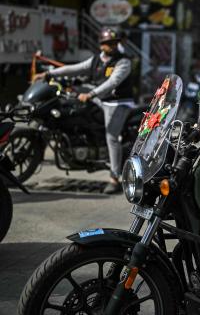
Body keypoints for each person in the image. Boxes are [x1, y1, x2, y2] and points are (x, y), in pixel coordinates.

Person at [33, 27, 135, 194]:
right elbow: (73, 68)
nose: (112, 46)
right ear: (101, 45)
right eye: (108, 43)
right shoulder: (96, 60)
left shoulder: (123, 61)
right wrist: (48, 75)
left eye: (114, 43)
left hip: (118, 103)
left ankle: (114, 177)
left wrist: (91, 93)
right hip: (100, 99)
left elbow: (113, 82)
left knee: (112, 137)